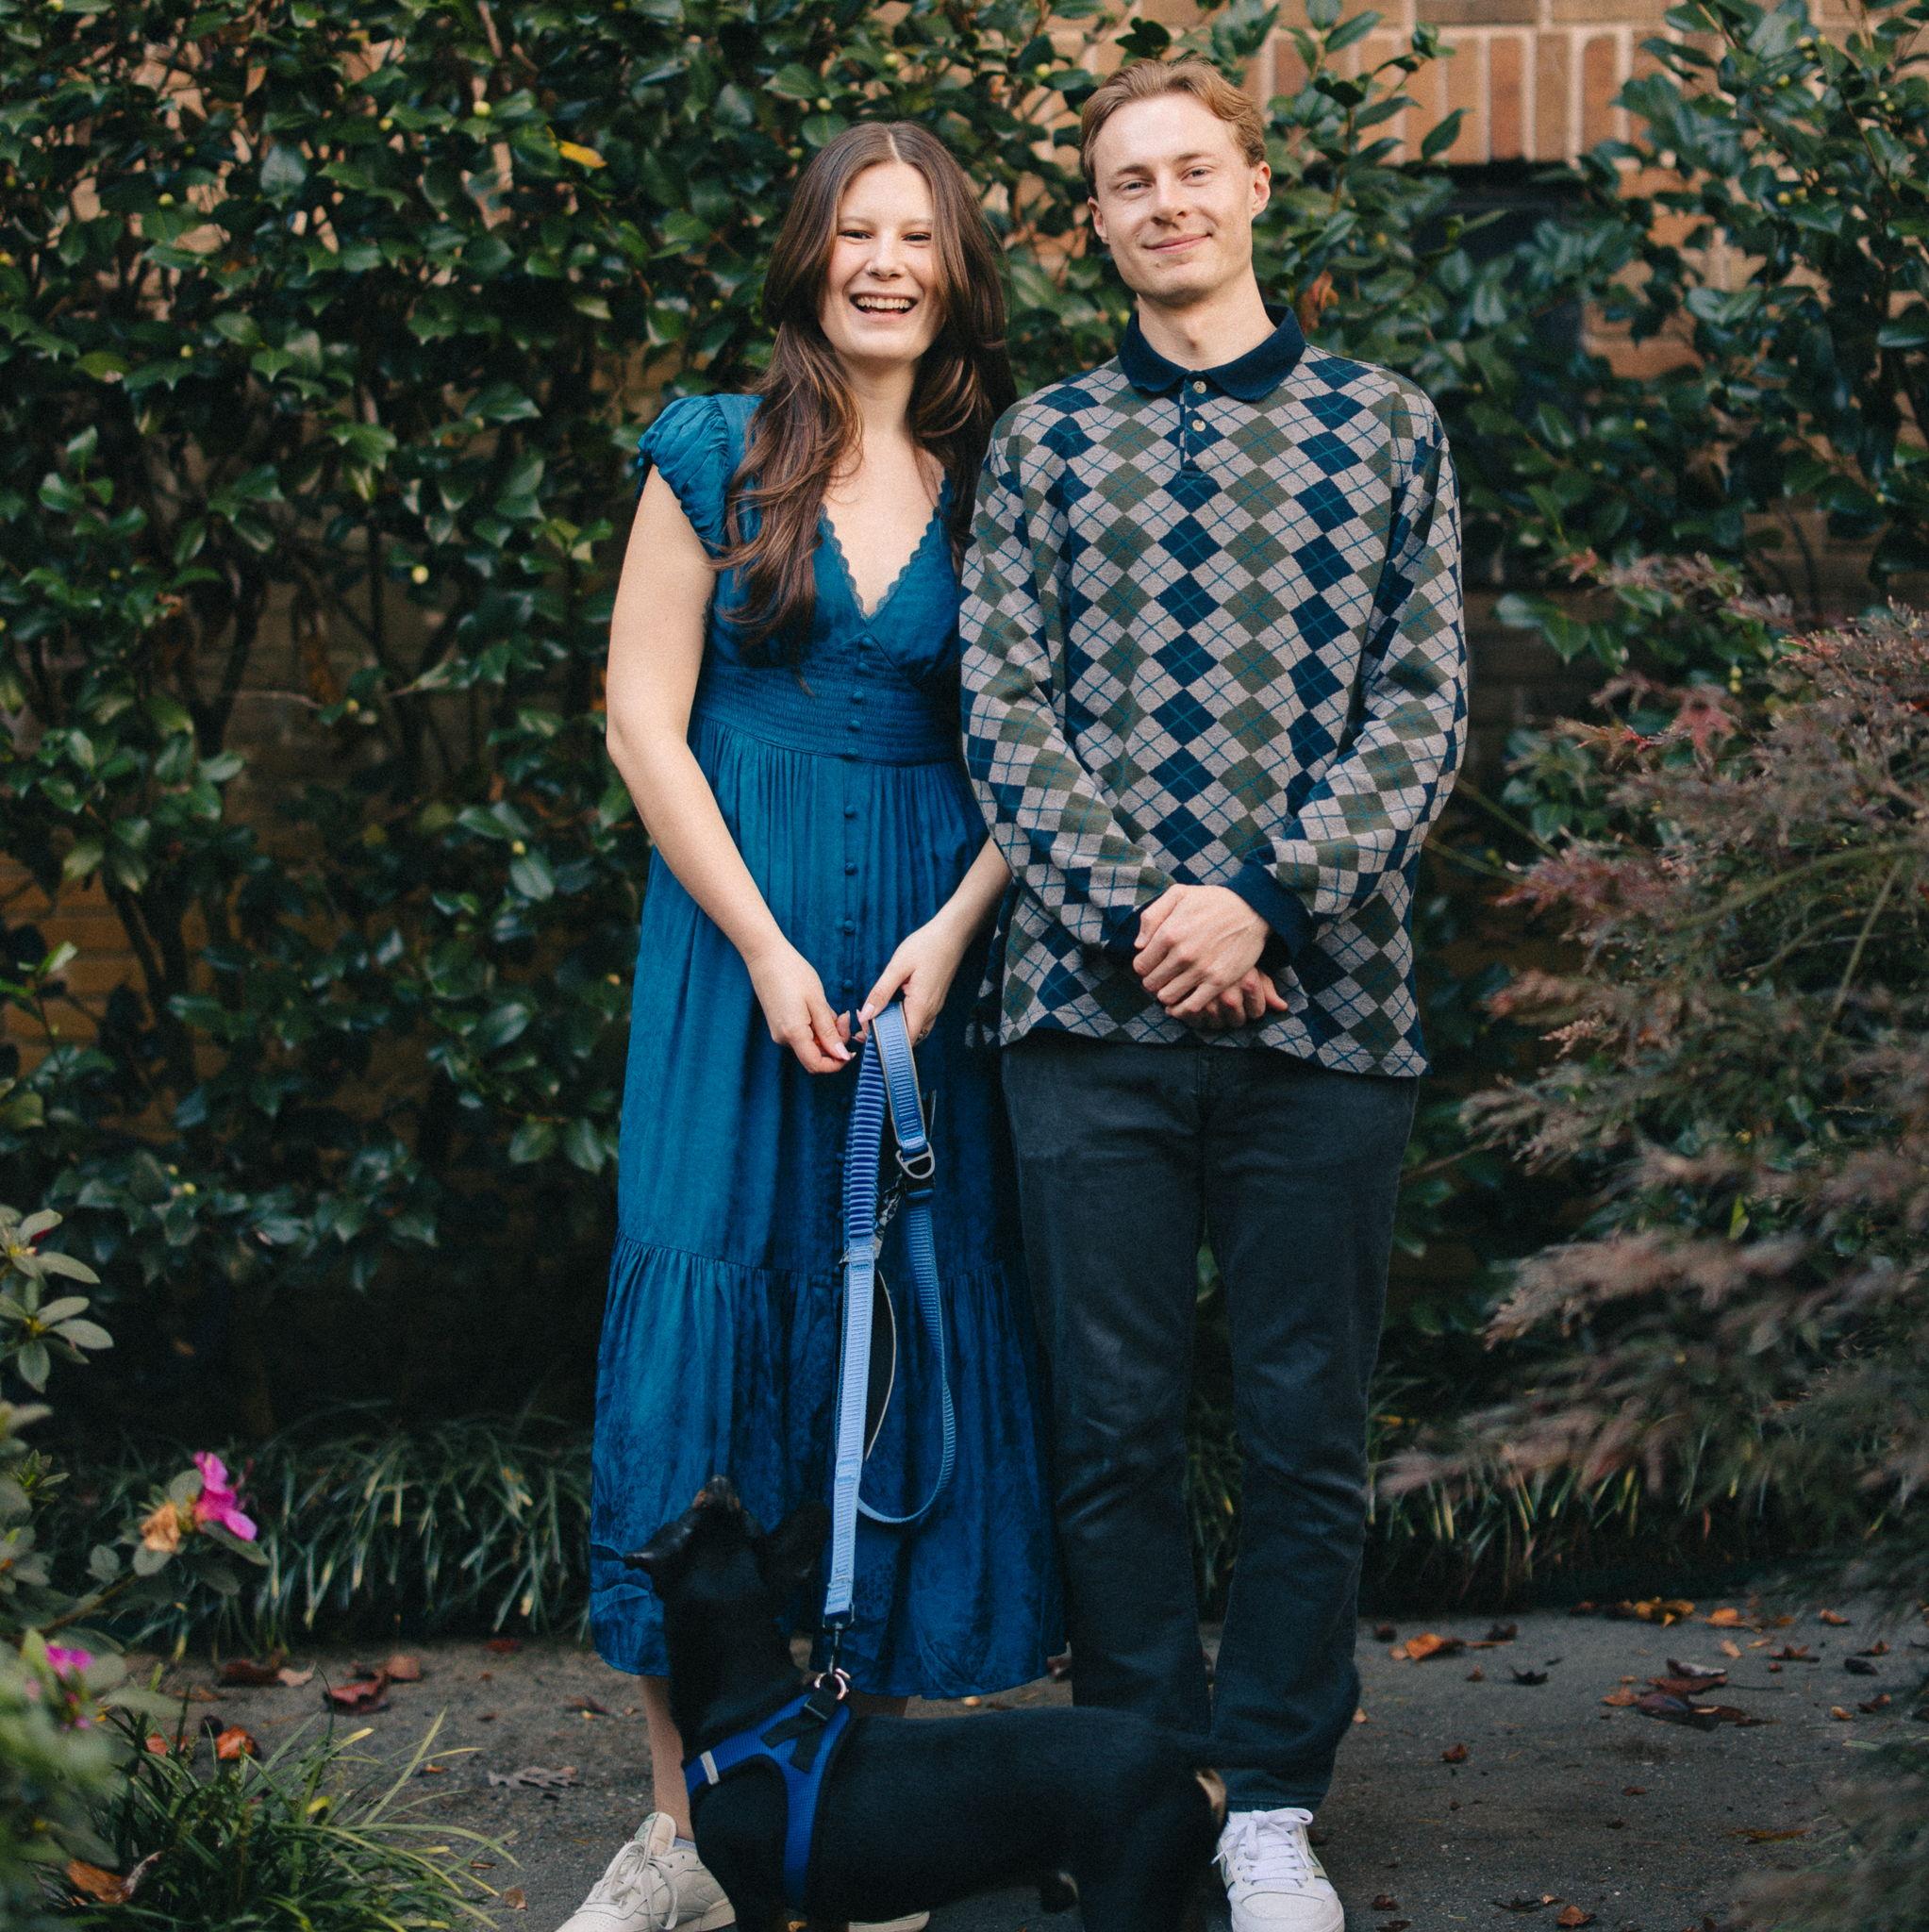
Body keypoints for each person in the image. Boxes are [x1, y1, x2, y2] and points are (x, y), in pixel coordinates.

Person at [959, 56, 1468, 1932]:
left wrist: (1258, 902)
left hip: (1327, 1019)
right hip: (1084, 1025)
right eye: (1128, 182)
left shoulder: (1383, 428)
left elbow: (1420, 712)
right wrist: (1144, 921)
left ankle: (1267, 1802)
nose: (1165, 202)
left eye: (1193, 170)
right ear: (1094, 224)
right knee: (1105, 1435)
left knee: (1299, 1437)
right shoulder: (1044, 446)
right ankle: (1141, 1791)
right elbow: (999, 706)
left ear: (1255, 188)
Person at [563, 124, 1060, 1932]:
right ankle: (682, 1837)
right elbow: (642, 718)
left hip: (923, 958)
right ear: (809, 256)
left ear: (956, 269)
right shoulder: (713, 450)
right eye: (856, 231)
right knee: (705, 1341)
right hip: (736, 955)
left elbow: (1047, 751)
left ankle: (865, 1828)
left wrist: (953, 928)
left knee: (900, 1340)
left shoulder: (1003, 478)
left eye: (916, 236)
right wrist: (768, 950)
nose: (884, 263)